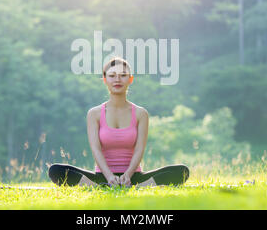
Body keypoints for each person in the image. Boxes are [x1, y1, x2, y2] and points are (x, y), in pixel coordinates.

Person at [48, 57, 189, 187]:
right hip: (102, 176)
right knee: (55, 170)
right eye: (112, 76)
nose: (117, 79)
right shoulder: (94, 113)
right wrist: (109, 176)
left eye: (123, 75)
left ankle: (138, 187)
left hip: (134, 176)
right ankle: (100, 186)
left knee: (182, 171)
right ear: (104, 79)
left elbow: (140, 149)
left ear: (130, 79)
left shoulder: (141, 113)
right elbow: (96, 149)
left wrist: (127, 175)